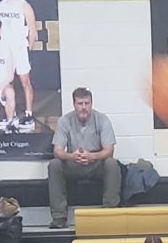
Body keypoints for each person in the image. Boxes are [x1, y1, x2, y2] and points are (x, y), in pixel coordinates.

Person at [48, 87, 121, 228]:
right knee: (54, 164)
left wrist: (92, 156)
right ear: (74, 104)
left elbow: (109, 150)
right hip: (74, 163)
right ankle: (59, 217)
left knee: (112, 163)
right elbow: (57, 151)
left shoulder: (102, 119)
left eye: (87, 103)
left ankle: (110, 213)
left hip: (96, 163)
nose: (83, 107)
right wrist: (72, 156)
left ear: (91, 104)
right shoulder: (64, 121)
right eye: (80, 103)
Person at [0, 0, 36, 130]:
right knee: (7, 81)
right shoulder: (0, 6)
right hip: (5, 48)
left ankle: (29, 114)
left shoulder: (24, 5)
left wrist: (29, 49)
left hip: (19, 48)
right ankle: (9, 113)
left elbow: (33, 29)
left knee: (25, 81)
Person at [0, 16, 16, 133]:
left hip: (2, 86)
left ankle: (10, 123)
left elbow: (10, 76)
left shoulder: (6, 48)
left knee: (10, 92)